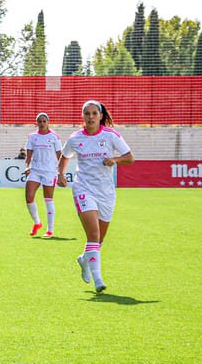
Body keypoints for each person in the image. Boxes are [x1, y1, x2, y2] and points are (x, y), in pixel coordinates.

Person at [57, 101, 134, 292]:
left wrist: (115, 159)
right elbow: (65, 156)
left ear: (100, 116)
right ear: (82, 116)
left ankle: (84, 259)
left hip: (106, 192)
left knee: (98, 240)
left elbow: (129, 157)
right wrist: (60, 175)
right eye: (87, 113)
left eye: (94, 113)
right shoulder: (75, 138)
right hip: (83, 188)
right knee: (93, 234)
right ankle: (98, 280)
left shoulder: (110, 135)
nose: (90, 117)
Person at [23, 112, 63, 238]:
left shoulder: (54, 137)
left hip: (50, 172)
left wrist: (60, 172)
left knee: (48, 199)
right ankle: (37, 223)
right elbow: (28, 155)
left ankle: (50, 230)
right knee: (29, 197)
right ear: (37, 123)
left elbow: (60, 156)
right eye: (39, 121)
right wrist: (27, 167)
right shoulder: (32, 137)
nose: (42, 123)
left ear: (48, 122)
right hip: (35, 170)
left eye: (44, 121)